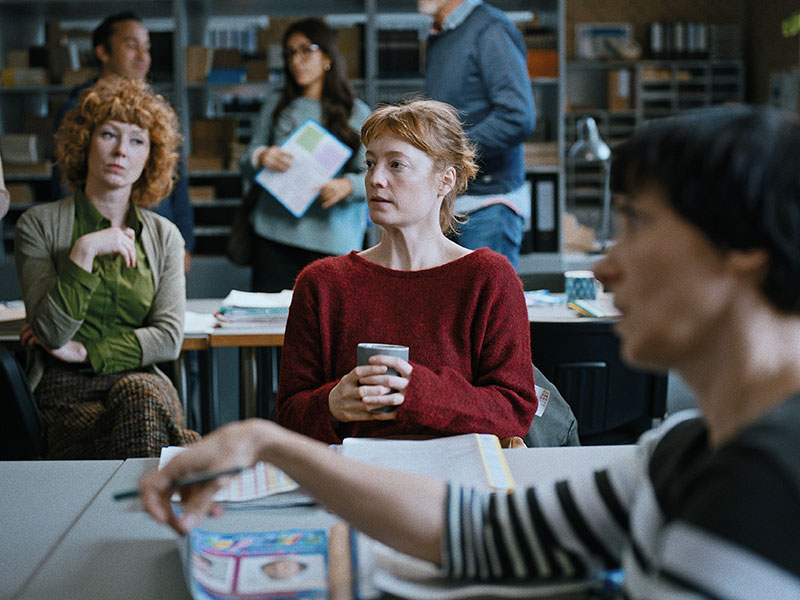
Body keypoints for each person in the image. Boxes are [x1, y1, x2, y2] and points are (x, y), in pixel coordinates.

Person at [141, 105, 800, 598]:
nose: (602, 266)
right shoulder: (677, 453)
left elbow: (506, 425)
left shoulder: (766, 488)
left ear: (742, 249)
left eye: (637, 225)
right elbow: (481, 530)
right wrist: (266, 440)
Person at [275, 99, 537, 443]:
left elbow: (514, 411)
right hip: (352, 484)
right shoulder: (322, 283)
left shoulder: (488, 278)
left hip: (455, 483)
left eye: (396, 164)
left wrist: (417, 393)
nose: (375, 179)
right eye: (370, 163)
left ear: (444, 181)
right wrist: (330, 405)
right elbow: (288, 415)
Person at [15, 75, 200, 459]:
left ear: (151, 156)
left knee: (140, 396)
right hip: (64, 391)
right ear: (85, 142)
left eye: (137, 141)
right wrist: (83, 251)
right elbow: (50, 331)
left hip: (143, 379)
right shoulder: (38, 225)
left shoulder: (165, 236)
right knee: (145, 420)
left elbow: (168, 337)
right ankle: (182, 465)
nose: (121, 152)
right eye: (109, 135)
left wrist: (86, 352)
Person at [50, 12, 195, 274]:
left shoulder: (157, 111)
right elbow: (66, 183)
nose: (143, 56)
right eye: (131, 45)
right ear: (103, 52)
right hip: (101, 244)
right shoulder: (79, 109)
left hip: (156, 242)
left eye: (147, 48)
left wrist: (184, 242)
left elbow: (177, 182)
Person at [240, 18, 371, 293]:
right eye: (290, 53)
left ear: (327, 56)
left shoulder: (357, 113)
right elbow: (246, 160)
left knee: (328, 328)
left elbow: (375, 175)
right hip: (273, 236)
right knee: (269, 328)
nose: (296, 60)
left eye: (305, 50)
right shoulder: (277, 104)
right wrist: (261, 157)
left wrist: (347, 185)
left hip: (332, 241)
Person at [418, 0, 535, 269]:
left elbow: (517, 117)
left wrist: (446, 152)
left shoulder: (491, 29)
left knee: (486, 309)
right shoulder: (440, 35)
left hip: (487, 207)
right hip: (452, 205)